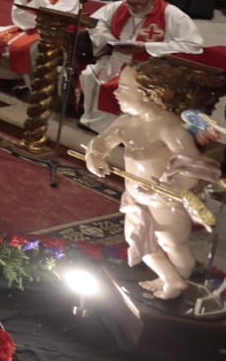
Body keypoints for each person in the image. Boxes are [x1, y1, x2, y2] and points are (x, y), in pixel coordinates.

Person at [84, 65, 222, 299]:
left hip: (165, 201)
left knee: (172, 244)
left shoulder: (169, 126)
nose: (116, 93)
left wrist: (174, 188)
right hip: (136, 198)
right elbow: (100, 143)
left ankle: (176, 281)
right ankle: (171, 279)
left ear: (150, 95)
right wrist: (94, 157)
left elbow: (192, 165)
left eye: (124, 88)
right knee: (138, 240)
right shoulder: (126, 123)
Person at [79, 0, 202, 131]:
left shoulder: (172, 15)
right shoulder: (120, 6)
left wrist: (146, 47)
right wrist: (109, 38)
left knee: (128, 90)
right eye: (130, 2)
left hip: (149, 67)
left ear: (153, 0)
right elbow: (95, 22)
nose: (132, 8)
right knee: (90, 75)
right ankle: (93, 123)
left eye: (138, 4)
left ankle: (128, 132)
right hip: (117, 59)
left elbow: (192, 46)